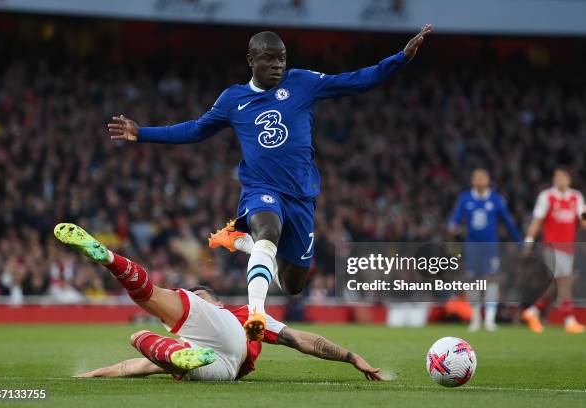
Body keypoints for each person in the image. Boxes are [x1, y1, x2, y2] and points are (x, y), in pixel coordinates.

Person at [107, 26, 433, 340]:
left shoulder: (303, 83)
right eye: (269, 58)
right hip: (261, 189)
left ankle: (239, 241)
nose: (277, 65)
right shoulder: (233, 100)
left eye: (281, 58)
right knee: (268, 230)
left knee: (293, 284)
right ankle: (257, 313)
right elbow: (196, 129)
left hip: (302, 197)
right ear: (251, 60)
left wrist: (400, 57)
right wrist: (142, 133)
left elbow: (355, 82)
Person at [54, 223, 383, 381]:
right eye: (196, 295)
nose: (197, 296)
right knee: (143, 344)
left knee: (151, 299)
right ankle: (180, 358)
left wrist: (350, 357)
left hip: (230, 336)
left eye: (202, 294)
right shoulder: (202, 337)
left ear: (217, 300)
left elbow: (302, 339)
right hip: (222, 369)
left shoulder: (242, 314)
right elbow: (132, 366)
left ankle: (109, 258)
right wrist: (91, 376)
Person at [448, 169, 522, 331]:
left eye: (483, 177)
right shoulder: (465, 198)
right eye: (477, 177)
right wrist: (452, 226)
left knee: (491, 279)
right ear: (472, 181)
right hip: (472, 246)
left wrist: (519, 242)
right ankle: (475, 317)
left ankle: (489, 319)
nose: (480, 180)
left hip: (490, 246)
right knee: (473, 280)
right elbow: (455, 218)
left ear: (488, 181)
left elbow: (509, 222)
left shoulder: (496, 199)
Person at [522, 168, 586, 334]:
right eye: (557, 177)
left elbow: (583, 218)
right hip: (551, 246)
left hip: (568, 247)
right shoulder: (546, 196)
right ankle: (569, 320)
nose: (560, 180)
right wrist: (528, 241)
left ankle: (533, 311)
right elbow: (537, 220)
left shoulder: (576, 197)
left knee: (557, 285)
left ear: (569, 179)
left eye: (563, 177)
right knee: (565, 281)